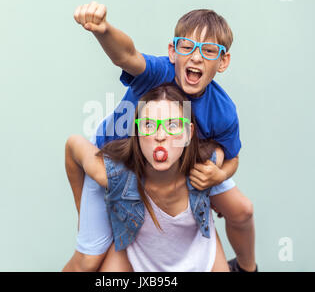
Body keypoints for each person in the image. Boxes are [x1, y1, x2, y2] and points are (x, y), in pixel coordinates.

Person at [64, 2, 256, 272]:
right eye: (186, 47)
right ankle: (96, 222)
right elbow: (125, 54)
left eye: (209, 51)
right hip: (119, 160)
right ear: (172, 52)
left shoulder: (222, 110)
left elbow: (232, 157)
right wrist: (103, 30)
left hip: (175, 162)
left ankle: (247, 268)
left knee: (242, 209)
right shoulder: (157, 73)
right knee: (89, 260)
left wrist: (219, 175)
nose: (196, 57)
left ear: (222, 61)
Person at [65, 83, 229, 271]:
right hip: (138, 255)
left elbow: (240, 206)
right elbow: (73, 145)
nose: (160, 136)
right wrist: (83, 213)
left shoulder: (206, 167)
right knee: (86, 263)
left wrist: (220, 176)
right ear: (136, 133)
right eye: (149, 125)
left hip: (197, 254)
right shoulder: (115, 175)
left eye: (173, 125)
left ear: (188, 133)